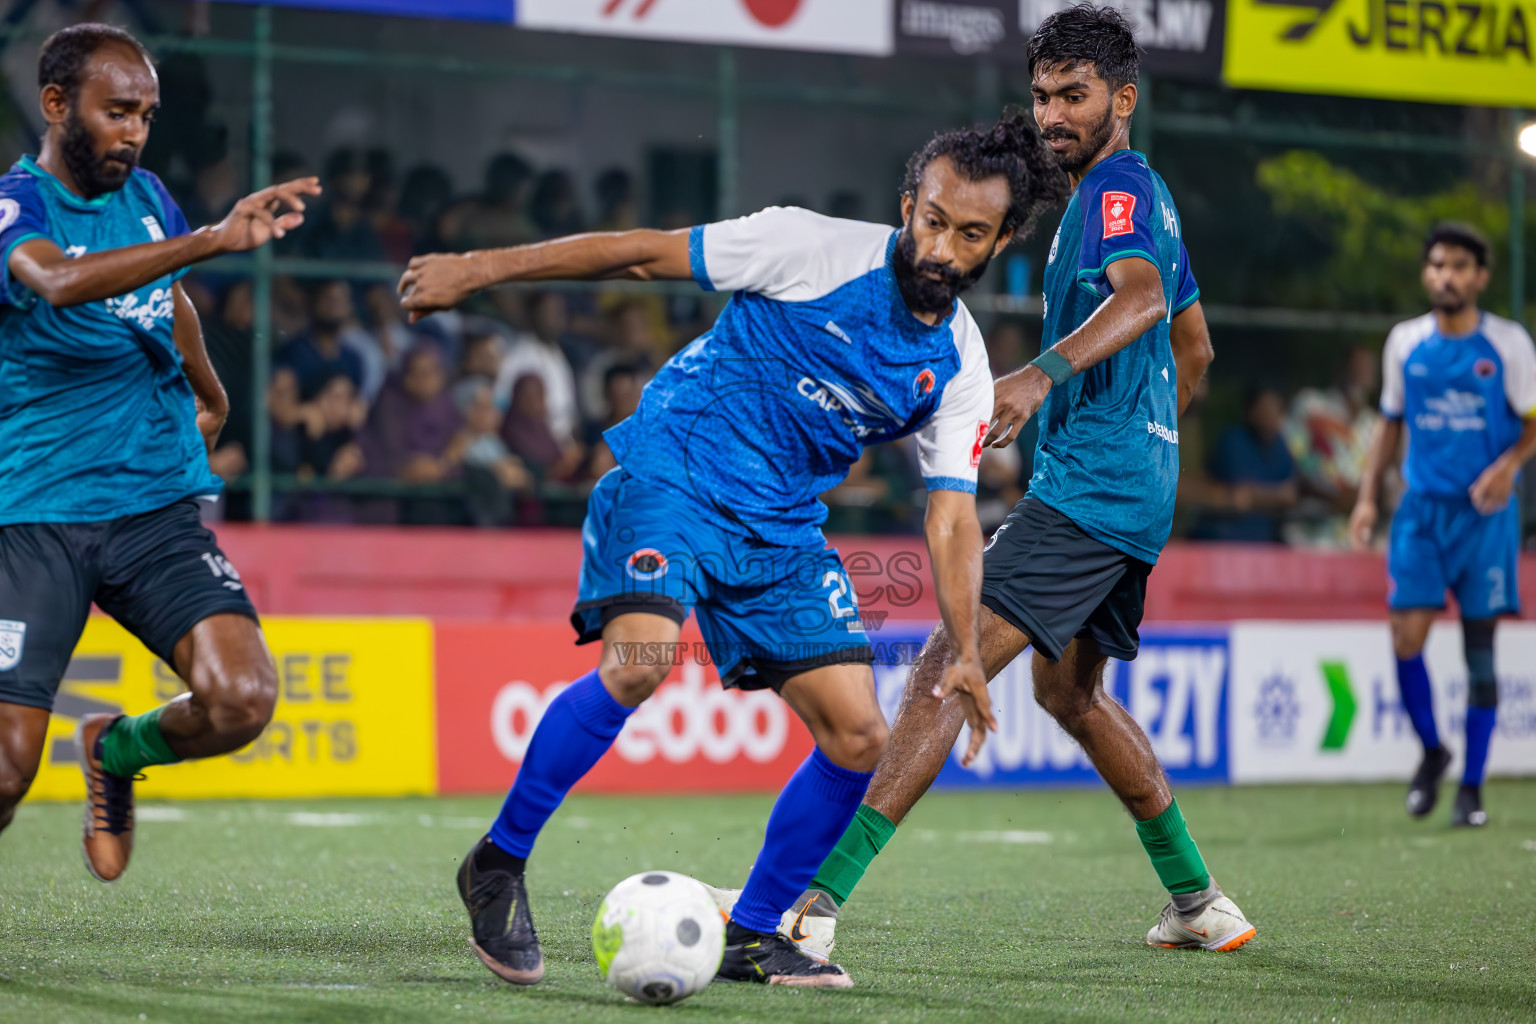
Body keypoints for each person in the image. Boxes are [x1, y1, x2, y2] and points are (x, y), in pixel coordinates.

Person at [400, 110, 1068, 987]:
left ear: (1002, 239)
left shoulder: (960, 367)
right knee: (639, 662)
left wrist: (970, 652)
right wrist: (478, 270)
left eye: (970, 234)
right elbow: (639, 253)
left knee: (861, 734)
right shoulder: (808, 246)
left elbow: (950, 516)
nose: (942, 248)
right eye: (933, 220)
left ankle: (752, 930)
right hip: (676, 469)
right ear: (909, 205)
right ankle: (497, 861)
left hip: (780, 527)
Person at [717, 3, 1254, 959]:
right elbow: (1194, 343)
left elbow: (1142, 300)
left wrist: (1048, 377)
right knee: (1072, 698)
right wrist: (1153, 429)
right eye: (1042, 94)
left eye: (1074, 96)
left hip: (1090, 493)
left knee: (941, 667)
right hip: (1134, 486)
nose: (1053, 113)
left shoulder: (1116, 194)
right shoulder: (1142, 195)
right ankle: (1199, 903)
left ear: (1122, 100)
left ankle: (813, 902)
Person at [0, 24, 319, 879]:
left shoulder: (147, 199)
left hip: (153, 506)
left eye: (145, 113)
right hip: (37, 512)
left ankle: (114, 749)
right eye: (117, 112)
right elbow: (60, 282)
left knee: (241, 700)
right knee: (6, 771)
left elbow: (166, 295)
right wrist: (214, 236)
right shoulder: (16, 207)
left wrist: (209, 390)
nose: (135, 130)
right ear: (58, 105)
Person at [1349, 223, 1536, 828]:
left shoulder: (1507, 344)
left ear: (1480, 277)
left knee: (1480, 652)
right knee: (1405, 637)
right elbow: (1389, 423)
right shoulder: (1406, 342)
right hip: (1421, 513)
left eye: (1458, 266)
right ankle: (1433, 752)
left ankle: (1472, 790)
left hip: (1484, 518)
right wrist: (1367, 498)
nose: (1445, 276)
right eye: (1436, 265)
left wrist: (1509, 467)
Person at [1190, 385, 1299, 543]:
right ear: (1249, 410)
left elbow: (1291, 494)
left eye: (1275, 408)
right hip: (1222, 539)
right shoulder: (1233, 440)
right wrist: (1276, 497)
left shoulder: (1281, 445)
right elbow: (1239, 496)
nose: (1270, 414)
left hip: (1265, 541)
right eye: (1265, 407)